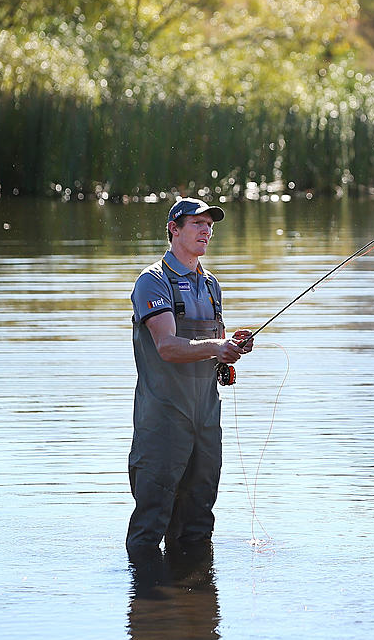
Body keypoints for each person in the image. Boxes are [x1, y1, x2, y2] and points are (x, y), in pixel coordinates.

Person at [127, 197, 253, 560]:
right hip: (163, 420)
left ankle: (195, 608)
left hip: (206, 421)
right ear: (174, 229)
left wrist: (232, 349)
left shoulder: (211, 284)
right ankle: (148, 606)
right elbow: (167, 346)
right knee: (150, 525)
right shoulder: (153, 281)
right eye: (196, 223)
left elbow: (215, 347)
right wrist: (217, 346)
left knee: (198, 523)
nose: (206, 230)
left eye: (209, 224)